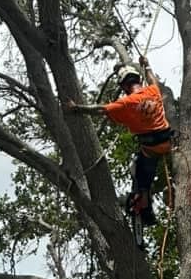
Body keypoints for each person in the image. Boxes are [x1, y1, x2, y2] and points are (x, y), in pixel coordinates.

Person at [64, 56, 172, 225]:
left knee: (138, 172)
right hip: (167, 142)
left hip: (151, 149)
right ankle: (148, 198)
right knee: (144, 163)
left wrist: (77, 108)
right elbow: (152, 80)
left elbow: (100, 109)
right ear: (138, 80)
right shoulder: (153, 91)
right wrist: (147, 65)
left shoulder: (126, 103)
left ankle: (145, 209)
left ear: (124, 86)